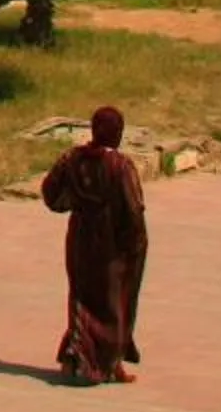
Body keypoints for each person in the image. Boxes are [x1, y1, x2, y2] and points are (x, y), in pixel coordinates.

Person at [41, 105, 147, 385]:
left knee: (82, 298)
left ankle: (79, 358)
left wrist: (74, 204)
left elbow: (51, 193)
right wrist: (134, 245)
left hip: (80, 239)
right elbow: (133, 210)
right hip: (111, 245)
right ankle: (107, 362)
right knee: (113, 303)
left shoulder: (72, 159)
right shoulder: (121, 167)